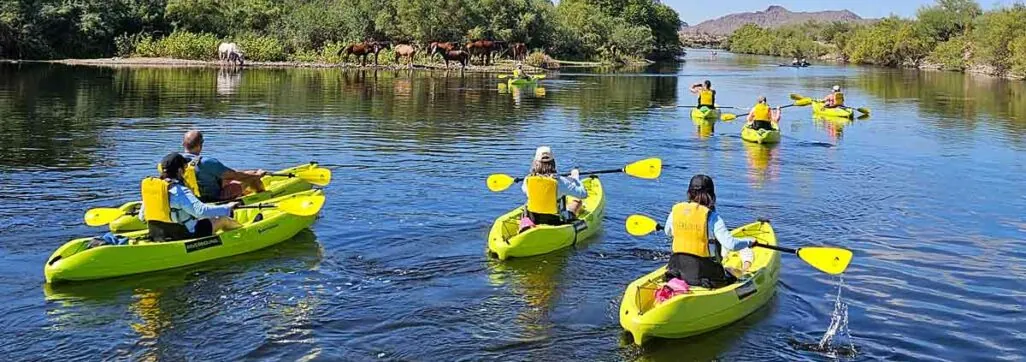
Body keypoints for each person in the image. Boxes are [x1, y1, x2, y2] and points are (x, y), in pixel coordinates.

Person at [662, 175, 755, 288]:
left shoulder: (675, 212)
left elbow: (668, 232)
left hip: (677, 270)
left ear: (689, 192)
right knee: (733, 271)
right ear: (711, 195)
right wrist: (749, 242)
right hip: (706, 276)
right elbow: (731, 245)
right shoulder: (713, 217)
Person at [139, 153, 241, 242]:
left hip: (157, 234)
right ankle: (243, 232)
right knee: (222, 218)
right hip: (185, 235)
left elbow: (142, 217)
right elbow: (200, 211)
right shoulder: (179, 190)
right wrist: (227, 207)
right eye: (184, 168)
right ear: (179, 170)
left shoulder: (154, 190)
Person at [181, 130, 267, 202]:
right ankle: (263, 196)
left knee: (244, 174)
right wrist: (257, 175)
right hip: (215, 198)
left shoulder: (175, 161)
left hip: (191, 199)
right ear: (200, 145)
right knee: (252, 177)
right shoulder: (207, 162)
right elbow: (235, 176)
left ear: (183, 144)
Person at [520, 146, 588, 229]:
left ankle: (526, 224)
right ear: (553, 163)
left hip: (534, 218)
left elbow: (525, 191)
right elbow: (583, 194)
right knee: (577, 201)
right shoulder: (560, 181)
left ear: (535, 162)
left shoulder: (527, 179)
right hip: (556, 220)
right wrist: (575, 179)